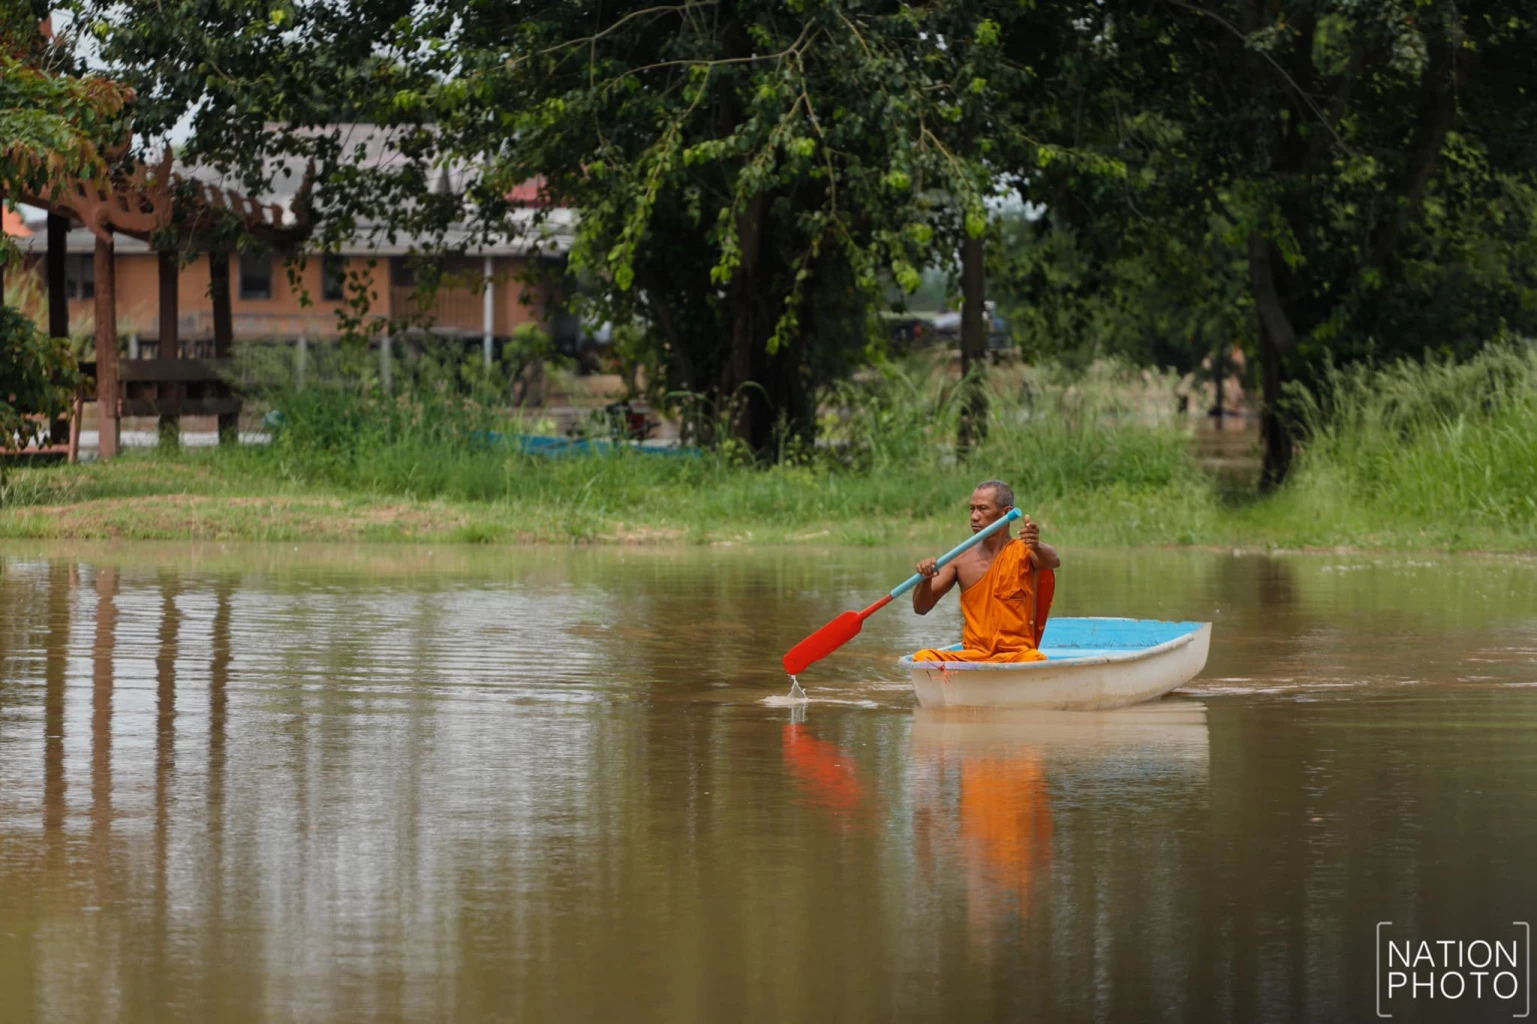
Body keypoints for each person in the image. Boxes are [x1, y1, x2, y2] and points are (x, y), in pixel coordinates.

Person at [911, 481, 1060, 663]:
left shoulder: (1025, 552)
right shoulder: (960, 559)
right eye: (972, 509)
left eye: (982, 509)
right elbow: (921, 608)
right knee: (923, 657)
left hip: (1016, 655)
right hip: (974, 655)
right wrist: (924, 580)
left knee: (1035, 658)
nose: (974, 517)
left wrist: (1036, 545)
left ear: (1006, 513)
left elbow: (1052, 560)